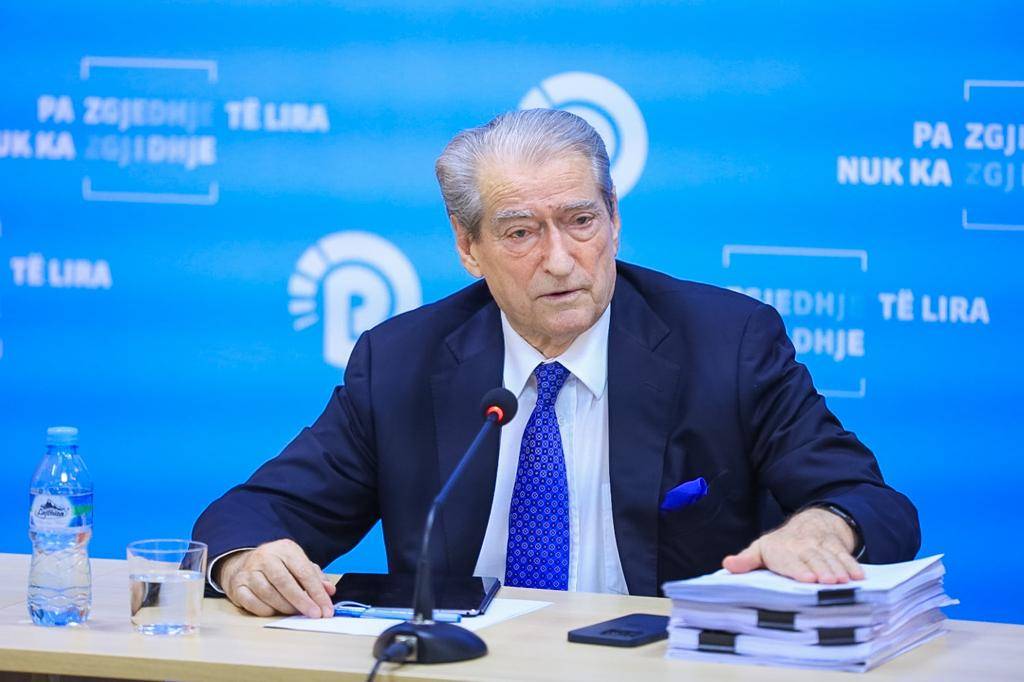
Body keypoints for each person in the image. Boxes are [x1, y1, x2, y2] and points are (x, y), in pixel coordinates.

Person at [193, 109, 920, 619]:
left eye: (580, 221)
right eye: (521, 233)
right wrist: (247, 560)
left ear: (614, 219)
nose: (562, 259)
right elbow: (249, 515)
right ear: (468, 248)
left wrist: (824, 527)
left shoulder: (726, 342)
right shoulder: (402, 361)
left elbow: (868, 498)